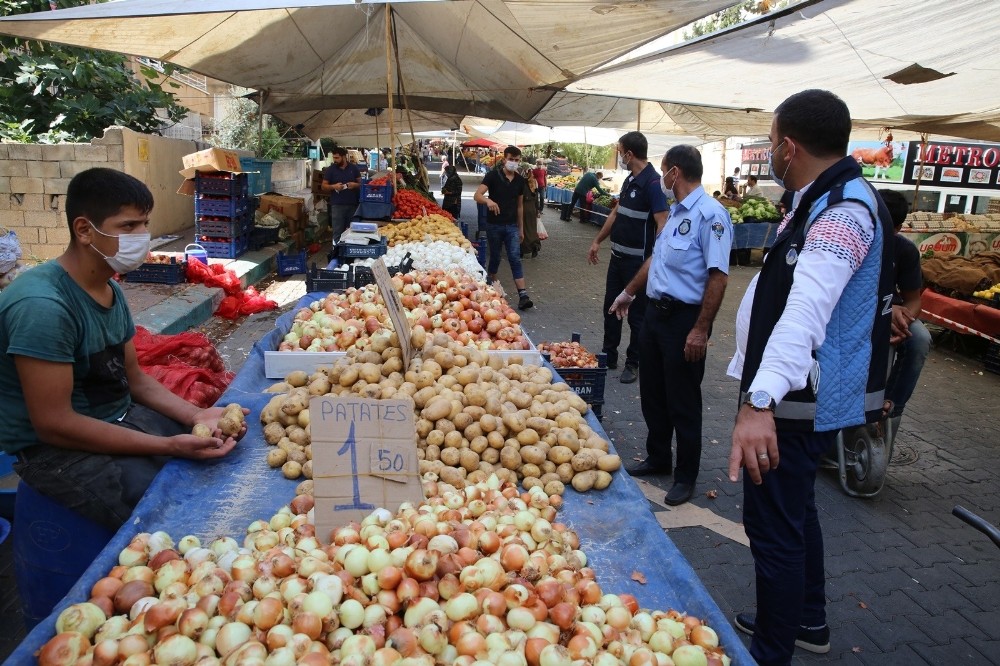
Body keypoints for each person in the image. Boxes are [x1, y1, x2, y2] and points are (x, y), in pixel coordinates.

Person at [727, 89, 895, 666]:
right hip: (793, 398)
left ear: (789, 147)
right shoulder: (821, 198)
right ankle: (806, 618)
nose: (771, 153)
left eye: (772, 143)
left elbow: (805, 314)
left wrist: (758, 402)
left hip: (793, 403)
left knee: (773, 528)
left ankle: (772, 651)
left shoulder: (843, 214)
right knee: (798, 512)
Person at [0, 168, 247, 532]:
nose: (141, 237)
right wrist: (168, 446)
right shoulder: (43, 306)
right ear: (84, 230)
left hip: (117, 417)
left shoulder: (109, 290)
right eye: (128, 227)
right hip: (55, 451)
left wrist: (195, 415)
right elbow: (55, 425)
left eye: (144, 225)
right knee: (182, 521)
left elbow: (136, 380)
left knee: (220, 460)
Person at [609, 145, 732, 505]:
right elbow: (656, 260)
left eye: (664, 171)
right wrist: (628, 293)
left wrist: (701, 329)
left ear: (674, 172)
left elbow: (719, 278)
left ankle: (686, 475)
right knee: (654, 393)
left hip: (685, 321)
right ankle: (659, 456)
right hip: (654, 316)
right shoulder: (676, 212)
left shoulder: (712, 215)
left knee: (683, 401)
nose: (662, 178)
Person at [588, 131, 667, 384]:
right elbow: (615, 214)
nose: (620, 156)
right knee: (610, 308)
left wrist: (657, 259)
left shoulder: (654, 184)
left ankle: (634, 362)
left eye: (620, 151)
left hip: (639, 265)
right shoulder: (630, 180)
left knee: (637, 316)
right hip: (617, 259)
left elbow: (662, 223)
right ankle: (608, 355)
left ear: (629, 154)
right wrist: (598, 241)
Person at [878, 189, 930, 436]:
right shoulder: (849, 240)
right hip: (858, 312)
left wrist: (903, 320)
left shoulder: (905, 251)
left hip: (894, 313)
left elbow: (914, 300)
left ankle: (889, 410)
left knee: (919, 339)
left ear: (897, 228)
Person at [474, 145, 534, 310]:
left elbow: (520, 206)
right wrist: (488, 201)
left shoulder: (520, 181)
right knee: (495, 257)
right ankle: (491, 283)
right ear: (504, 160)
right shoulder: (492, 176)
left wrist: (521, 229)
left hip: (512, 226)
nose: (513, 163)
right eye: (511, 159)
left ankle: (523, 295)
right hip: (494, 226)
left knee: (514, 257)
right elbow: (477, 195)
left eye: (516, 160)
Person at [322, 147, 362, 239]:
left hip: (352, 205)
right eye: (334, 158)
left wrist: (354, 185)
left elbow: (361, 184)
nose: (335, 160)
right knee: (337, 232)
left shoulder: (354, 168)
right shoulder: (331, 170)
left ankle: (348, 252)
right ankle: (336, 251)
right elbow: (323, 186)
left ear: (344, 157)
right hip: (337, 206)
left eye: (337, 158)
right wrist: (334, 186)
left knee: (351, 232)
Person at [521, 173, 540, 259]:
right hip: (533, 210)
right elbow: (537, 200)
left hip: (524, 209)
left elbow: (520, 199)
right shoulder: (534, 186)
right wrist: (537, 210)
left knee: (524, 229)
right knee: (532, 229)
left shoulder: (523, 186)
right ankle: (535, 245)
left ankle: (523, 249)